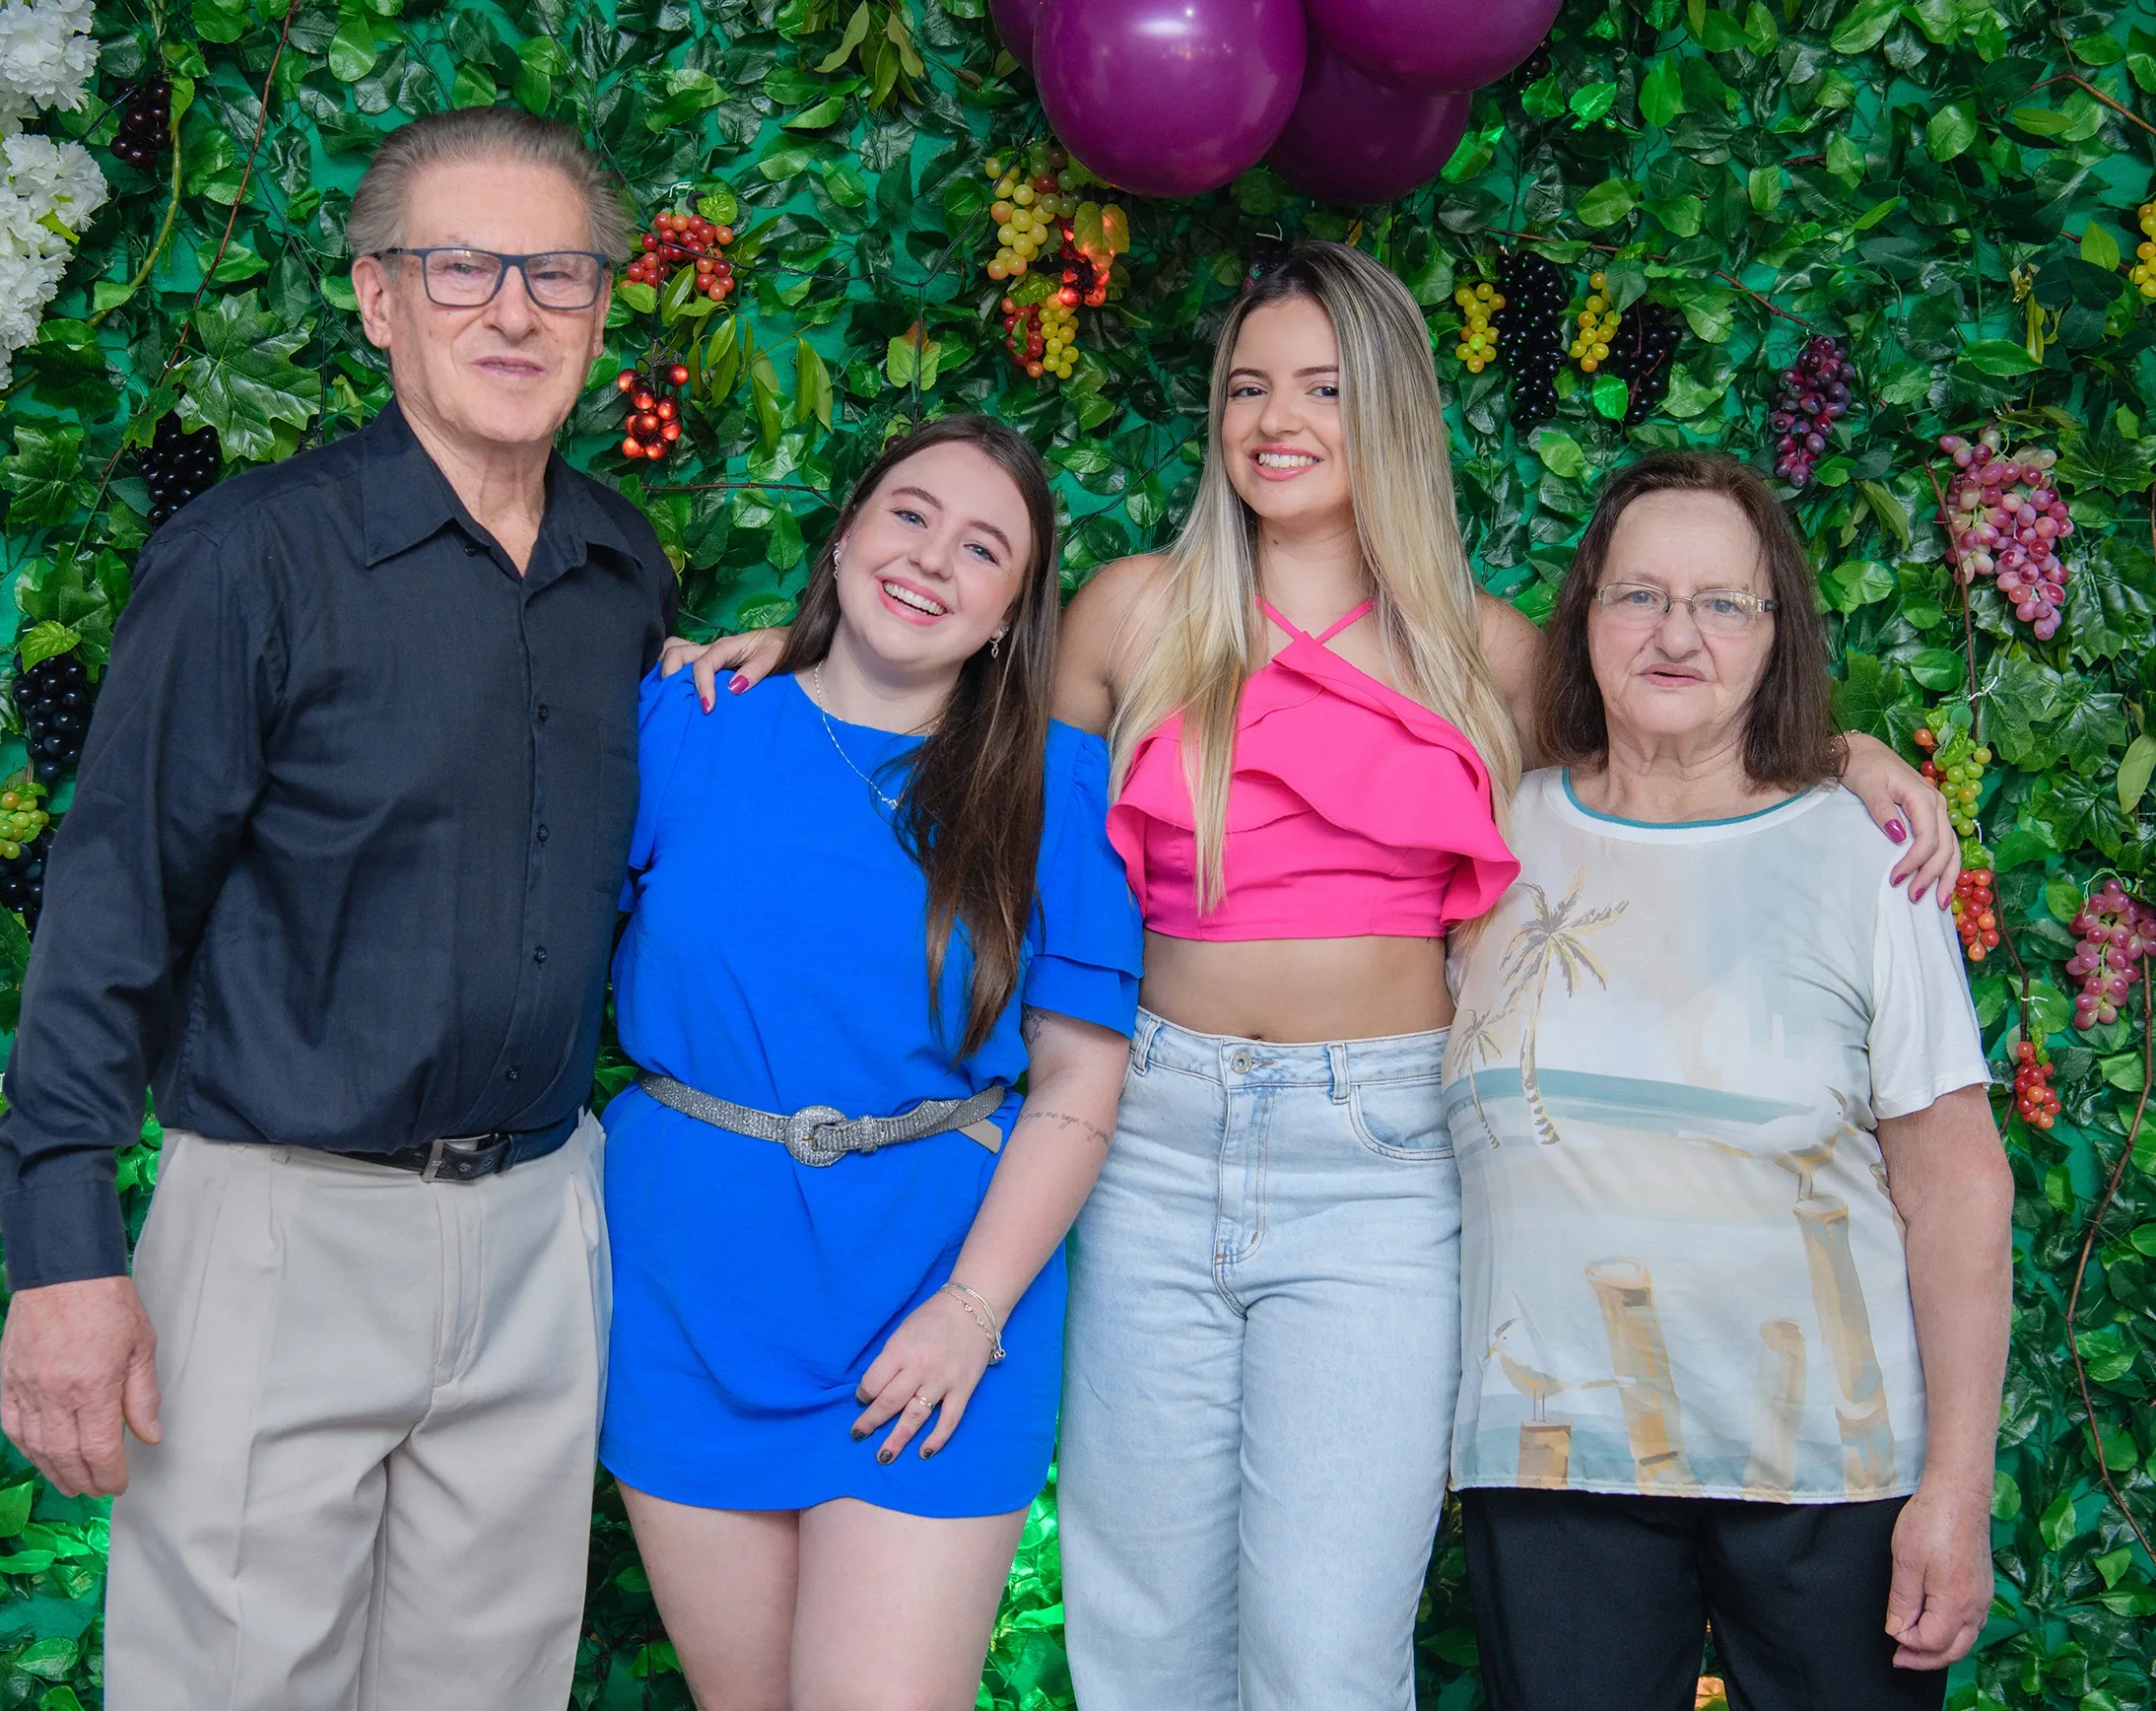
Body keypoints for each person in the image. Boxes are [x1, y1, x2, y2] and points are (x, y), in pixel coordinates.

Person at [668, 243, 1959, 1707]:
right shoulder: (1131, 614)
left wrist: (1846, 755)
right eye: (1245, 386)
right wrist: (801, 655)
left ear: (1389, 408)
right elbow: (943, 726)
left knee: (1327, 1646)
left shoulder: (1488, 650)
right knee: (1139, 1630)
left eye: (1322, 387)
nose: (1274, 418)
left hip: (1380, 1166)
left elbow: (1684, 736)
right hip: (1146, 1141)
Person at [0, 108, 673, 1710]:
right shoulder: (249, 562)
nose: (513, 309)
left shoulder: (624, 571)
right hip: (284, 1230)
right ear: (378, 297)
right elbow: (110, 912)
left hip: (540, 1227)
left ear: (600, 305)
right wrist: (65, 1256)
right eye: (462, 266)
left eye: (555, 272)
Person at [1444, 450, 2008, 1711]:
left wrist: (1955, 1490)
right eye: (1638, 594)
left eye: (1722, 603)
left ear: (1775, 634)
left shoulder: (1863, 854)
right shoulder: (1490, 833)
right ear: (1581, 617)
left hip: (1833, 1471)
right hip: (1550, 1459)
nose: (1676, 633)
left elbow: (1959, 1184)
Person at [601, 415, 1139, 1711]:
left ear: (1013, 612)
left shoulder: (1055, 789)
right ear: (844, 533)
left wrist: (969, 1314)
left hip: (932, 1302)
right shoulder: (680, 726)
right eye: (908, 514)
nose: (929, 559)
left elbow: (1077, 1082)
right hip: (690, 1290)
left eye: (981, 549)